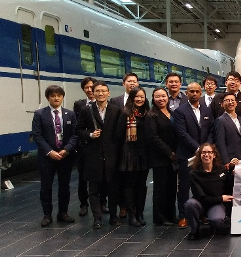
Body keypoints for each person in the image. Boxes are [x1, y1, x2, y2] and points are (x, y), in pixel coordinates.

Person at [76, 81, 122, 229]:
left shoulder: (116, 110)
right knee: (94, 188)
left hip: (112, 155)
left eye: (103, 91)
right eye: (98, 91)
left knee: (113, 187)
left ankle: (114, 216)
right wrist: (89, 134)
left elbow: (120, 132)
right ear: (93, 93)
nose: (100, 93)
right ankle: (97, 218)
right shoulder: (86, 110)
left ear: (109, 93)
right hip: (93, 155)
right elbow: (78, 130)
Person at [31, 85, 78, 227]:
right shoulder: (39, 114)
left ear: (63, 97)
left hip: (65, 156)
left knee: (64, 186)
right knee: (46, 186)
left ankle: (63, 213)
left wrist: (67, 149)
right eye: (53, 96)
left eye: (59, 95)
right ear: (48, 98)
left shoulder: (70, 114)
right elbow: (37, 136)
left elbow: (75, 134)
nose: (56, 98)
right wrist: (50, 152)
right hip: (47, 157)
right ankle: (47, 214)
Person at [174, 82, 215, 229]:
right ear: (186, 93)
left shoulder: (206, 110)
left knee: (202, 186)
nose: (194, 94)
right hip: (187, 154)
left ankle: (202, 213)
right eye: (191, 91)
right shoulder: (180, 111)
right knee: (184, 186)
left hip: (204, 156)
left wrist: (206, 148)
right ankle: (184, 216)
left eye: (197, 91)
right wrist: (198, 148)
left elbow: (211, 130)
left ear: (201, 93)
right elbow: (182, 133)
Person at [116, 87, 150, 227]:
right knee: (129, 186)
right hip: (129, 154)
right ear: (131, 98)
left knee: (142, 186)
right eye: (137, 96)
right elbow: (118, 135)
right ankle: (131, 215)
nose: (140, 99)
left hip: (144, 154)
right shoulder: (125, 113)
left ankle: (140, 213)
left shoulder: (147, 113)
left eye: (142, 96)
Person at [184, 143, 233, 241]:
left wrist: (232, 172)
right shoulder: (193, 173)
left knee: (217, 220)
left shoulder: (222, 169)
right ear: (200, 155)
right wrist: (221, 198)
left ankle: (212, 222)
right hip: (200, 203)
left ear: (214, 155)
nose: (207, 155)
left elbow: (229, 186)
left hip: (216, 204)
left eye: (209, 152)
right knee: (189, 204)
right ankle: (194, 230)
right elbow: (201, 197)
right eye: (204, 152)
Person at [145, 87, 178, 226]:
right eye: (157, 97)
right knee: (160, 189)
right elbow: (153, 138)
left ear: (167, 97)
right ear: (153, 98)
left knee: (171, 187)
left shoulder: (171, 113)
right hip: (161, 157)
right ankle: (160, 217)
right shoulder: (151, 115)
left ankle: (171, 215)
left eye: (163, 96)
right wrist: (169, 153)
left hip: (173, 157)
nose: (161, 99)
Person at [73, 76, 97, 217]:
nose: (89, 89)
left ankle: (102, 202)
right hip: (84, 146)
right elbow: (78, 126)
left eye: (91, 87)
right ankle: (83, 203)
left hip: (99, 145)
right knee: (82, 177)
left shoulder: (105, 103)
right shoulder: (79, 104)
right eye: (86, 87)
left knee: (101, 176)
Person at [214, 92, 241, 165]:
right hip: (230, 159)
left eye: (232, 100)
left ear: (236, 103)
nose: (230, 102)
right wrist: (225, 161)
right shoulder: (220, 120)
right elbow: (220, 143)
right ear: (222, 104)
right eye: (227, 100)